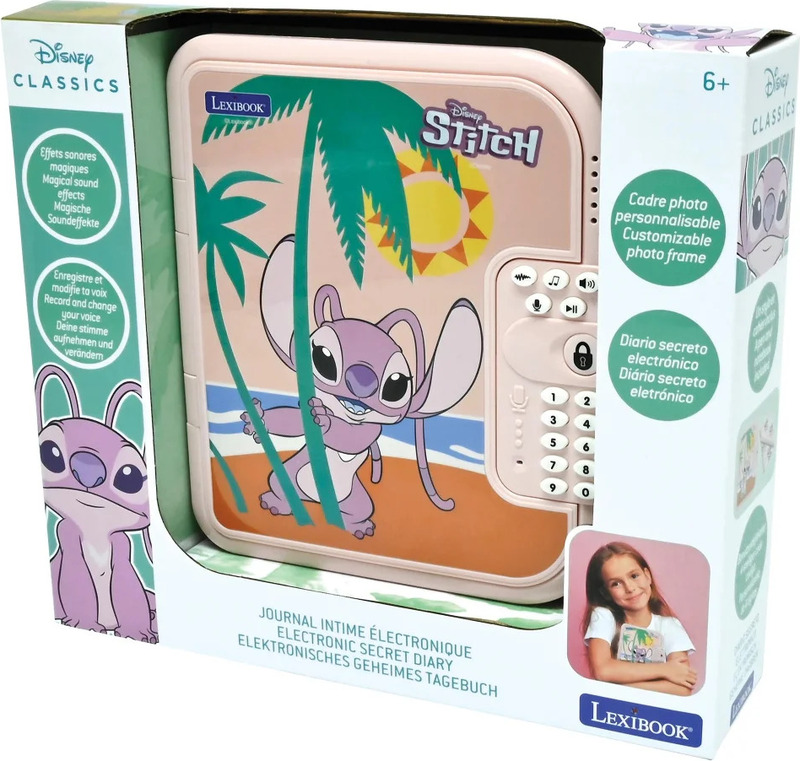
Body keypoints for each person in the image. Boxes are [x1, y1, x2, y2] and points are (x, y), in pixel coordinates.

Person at [582, 542, 697, 695]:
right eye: (616, 584)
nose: (630, 588)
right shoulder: (603, 616)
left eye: (634, 576)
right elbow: (603, 671)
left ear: (647, 576)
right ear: (606, 593)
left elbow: (683, 689)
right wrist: (665, 670)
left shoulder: (670, 625)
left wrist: (617, 686)